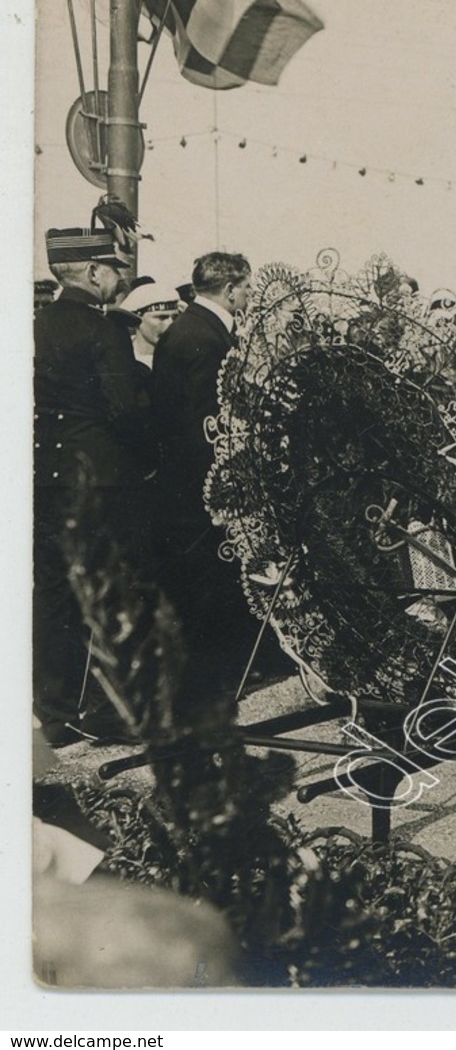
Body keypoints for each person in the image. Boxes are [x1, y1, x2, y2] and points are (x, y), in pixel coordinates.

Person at [33, 227, 143, 744]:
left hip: (48, 473)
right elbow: (127, 411)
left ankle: (55, 712)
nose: (117, 280)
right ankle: (107, 711)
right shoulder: (103, 332)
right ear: (95, 271)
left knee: (54, 591)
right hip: (99, 477)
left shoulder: (36, 323)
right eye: (114, 270)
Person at [150, 252, 269, 714]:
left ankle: (220, 671)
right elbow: (208, 423)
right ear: (231, 289)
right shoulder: (205, 337)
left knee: (206, 578)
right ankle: (215, 678)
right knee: (208, 579)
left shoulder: (189, 328)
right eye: (246, 287)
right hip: (202, 481)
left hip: (184, 480)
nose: (248, 295)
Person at [122, 281, 181, 371]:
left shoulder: (181, 356)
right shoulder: (121, 354)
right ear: (136, 319)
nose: (170, 324)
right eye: (161, 317)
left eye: (175, 317)